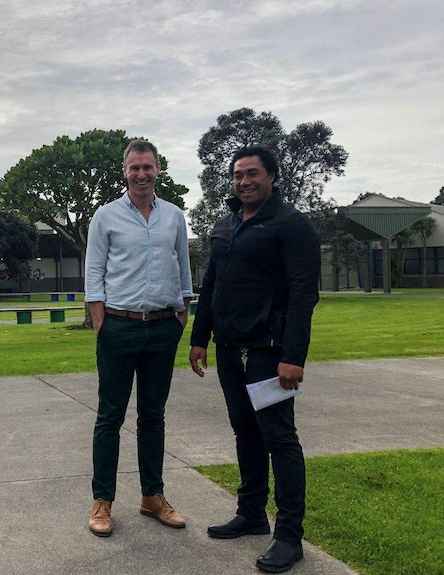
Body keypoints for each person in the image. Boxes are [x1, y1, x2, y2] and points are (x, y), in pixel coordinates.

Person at [189, 146, 320, 573]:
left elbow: (304, 293)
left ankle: (289, 536)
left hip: (269, 352)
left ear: (272, 176)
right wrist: (200, 337)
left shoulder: (291, 225)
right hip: (229, 347)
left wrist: (293, 357)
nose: (244, 181)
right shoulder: (225, 225)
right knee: (244, 432)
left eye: (252, 174)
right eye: (238, 175)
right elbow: (211, 284)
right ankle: (250, 514)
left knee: (280, 439)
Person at [85, 139, 194, 537]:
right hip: (119, 326)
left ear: (158, 170)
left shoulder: (174, 217)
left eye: (148, 167)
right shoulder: (106, 216)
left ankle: (152, 497)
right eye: (135, 167)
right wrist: (102, 322)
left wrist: (182, 316)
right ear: (125, 171)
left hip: (163, 326)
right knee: (109, 417)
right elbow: (93, 274)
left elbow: (183, 269)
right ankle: (102, 501)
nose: (142, 174)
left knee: (153, 416)